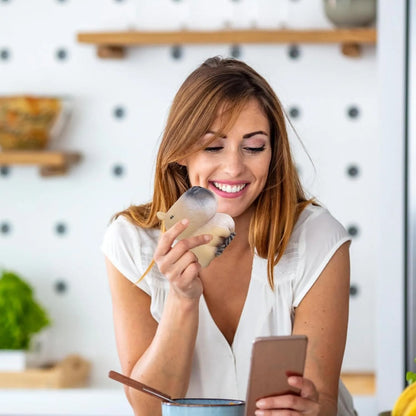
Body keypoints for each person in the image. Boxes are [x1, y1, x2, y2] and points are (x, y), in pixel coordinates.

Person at [101, 56, 356, 416]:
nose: (234, 167)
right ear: (181, 154)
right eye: (212, 146)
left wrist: (310, 409)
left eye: (253, 147)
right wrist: (182, 298)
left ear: (273, 153)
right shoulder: (131, 242)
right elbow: (149, 408)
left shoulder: (317, 237)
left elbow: (323, 401)